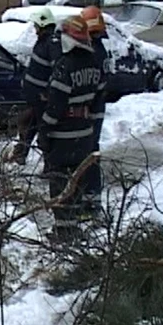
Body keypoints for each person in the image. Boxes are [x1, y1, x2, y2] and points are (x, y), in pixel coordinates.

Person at [39, 15, 104, 241]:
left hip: (63, 135)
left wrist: (44, 132)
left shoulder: (65, 66)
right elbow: (98, 100)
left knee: (60, 182)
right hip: (84, 134)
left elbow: (55, 106)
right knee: (77, 181)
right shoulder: (94, 64)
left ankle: (65, 231)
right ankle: (75, 226)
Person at [8, 7, 60, 165]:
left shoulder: (52, 44)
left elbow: (58, 70)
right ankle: (20, 155)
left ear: (44, 25)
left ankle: (50, 165)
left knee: (44, 132)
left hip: (42, 98)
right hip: (34, 97)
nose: (35, 29)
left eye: (36, 26)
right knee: (27, 124)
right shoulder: (43, 41)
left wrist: (48, 92)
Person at [81, 5, 110, 219]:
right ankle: (90, 199)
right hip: (95, 109)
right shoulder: (99, 51)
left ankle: (90, 201)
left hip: (92, 111)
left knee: (89, 155)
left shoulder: (95, 53)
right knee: (89, 154)